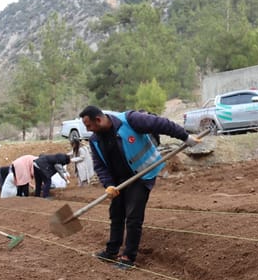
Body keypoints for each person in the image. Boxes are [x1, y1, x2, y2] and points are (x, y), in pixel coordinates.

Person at [79, 105, 200, 269]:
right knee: (116, 214)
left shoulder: (130, 120)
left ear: (98, 120)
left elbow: (162, 124)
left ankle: (129, 256)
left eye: (89, 125)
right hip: (118, 181)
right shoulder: (95, 140)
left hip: (142, 174)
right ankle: (111, 251)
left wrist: (185, 137)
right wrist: (109, 185)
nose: (88, 129)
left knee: (133, 215)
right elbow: (99, 165)